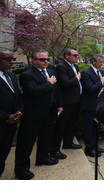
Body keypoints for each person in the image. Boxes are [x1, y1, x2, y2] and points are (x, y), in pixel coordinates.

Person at [14, 49, 63, 180]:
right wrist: (48, 83)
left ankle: (43, 158)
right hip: (33, 114)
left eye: (47, 59)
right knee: (26, 143)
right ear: (33, 60)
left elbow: (57, 90)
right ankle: (22, 169)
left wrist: (59, 104)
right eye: (42, 59)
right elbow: (33, 91)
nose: (45, 61)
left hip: (50, 111)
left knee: (46, 137)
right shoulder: (27, 75)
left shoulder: (51, 72)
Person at [51, 48, 82, 156]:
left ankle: (68, 142)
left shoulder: (75, 66)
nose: (77, 57)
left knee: (72, 124)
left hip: (76, 100)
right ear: (67, 56)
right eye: (75, 55)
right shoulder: (61, 67)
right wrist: (77, 78)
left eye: (77, 55)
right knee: (61, 125)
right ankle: (55, 149)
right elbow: (65, 83)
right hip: (67, 101)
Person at [0, 48, 23, 178]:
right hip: (3, 121)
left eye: (12, 59)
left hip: (11, 124)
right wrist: (5, 117)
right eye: (7, 59)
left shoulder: (11, 76)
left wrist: (19, 111)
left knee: (4, 154)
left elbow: (17, 96)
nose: (11, 62)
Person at [80, 53, 104, 157]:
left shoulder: (102, 72)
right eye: (100, 62)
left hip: (99, 104)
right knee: (89, 127)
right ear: (93, 62)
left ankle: (95, 146)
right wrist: (101, 82)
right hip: (89, 105)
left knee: (96, 126)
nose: (101, 64)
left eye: (102, 62)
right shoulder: (86, 73)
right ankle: (89, 148)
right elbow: (90, 89)